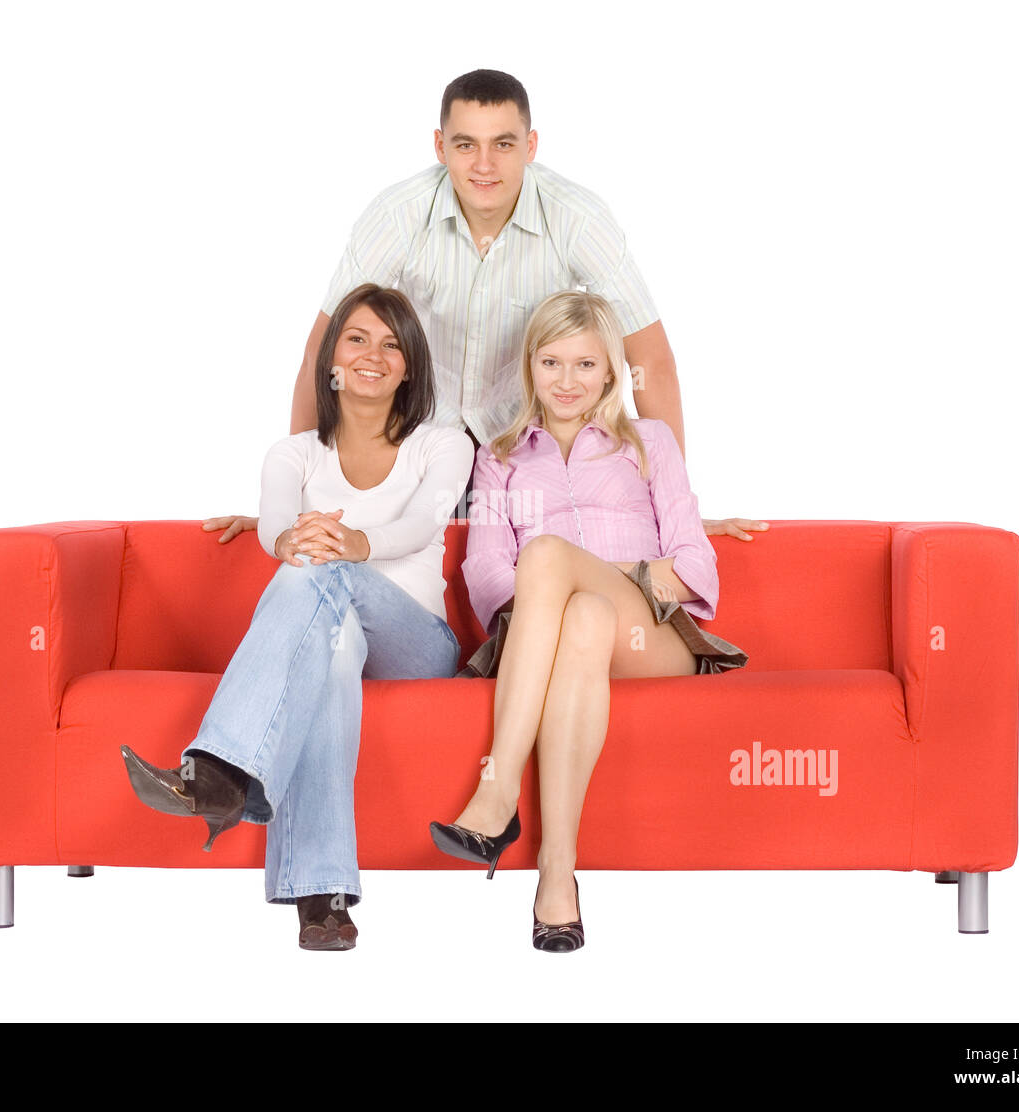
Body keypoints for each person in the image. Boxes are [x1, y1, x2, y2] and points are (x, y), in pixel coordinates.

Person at [203, 68, 767, 545]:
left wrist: (678, 514)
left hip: (527, 439)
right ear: (439, 146)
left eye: (504, 144)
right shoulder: (398, 215)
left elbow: (650, 361)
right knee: (397, 555)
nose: (484, 165)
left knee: (552, 563)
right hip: (420, 434)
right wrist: (300, 498)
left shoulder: (578, 217)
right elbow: (323, 356)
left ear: (532, 146)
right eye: (465, 144)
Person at [120, 284, 474, 950]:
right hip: (336, 632)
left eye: (393, 345)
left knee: (322, 573)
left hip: (417, 642)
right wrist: (286, 542)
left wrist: (353, 546)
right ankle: (322, 897)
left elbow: (426, 519)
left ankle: (220, 772)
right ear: (332, 359)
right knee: (331, 646)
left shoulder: (443, 444)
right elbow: (280, 521)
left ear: (411, 367)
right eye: (358, 339)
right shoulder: (294, 454)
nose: (374, 355)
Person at [427, 290, 746, 952]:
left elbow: (693, 565)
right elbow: (485, 575)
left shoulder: (648, 441)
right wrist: (564, 596)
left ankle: (497, 790)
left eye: (585, 365)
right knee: (582, 617)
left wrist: (595, 570)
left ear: (609, 372)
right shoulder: (500, 457)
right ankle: (556, 879)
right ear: (529, 368)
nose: (566, 382)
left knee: (552, 561)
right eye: (551, 363)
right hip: (560, 629)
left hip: (653, 632)